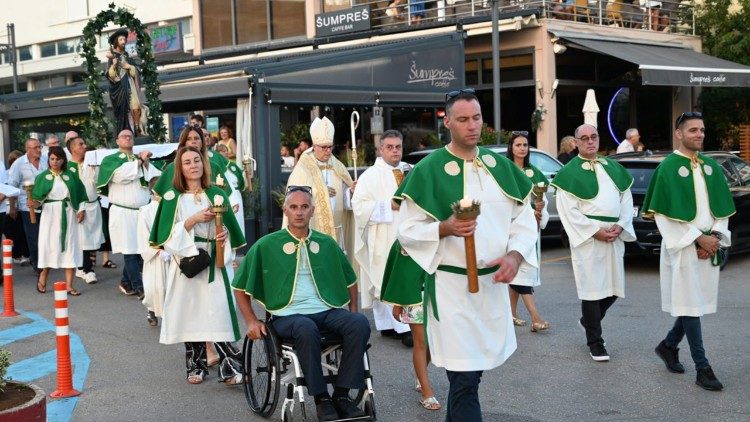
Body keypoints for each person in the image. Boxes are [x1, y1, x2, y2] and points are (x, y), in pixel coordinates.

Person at [380, 89, 538, 421]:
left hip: (491, 290)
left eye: (477, 118)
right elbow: (406, 231)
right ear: (447, 121)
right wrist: (444, 228)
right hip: (451, 291)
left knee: (471, 379)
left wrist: (514, 256)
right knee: (464, 379)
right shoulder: (429, 168)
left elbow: (523, 221)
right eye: (463, 119)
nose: (472, 126)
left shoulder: (499, 166)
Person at [233, 186, 370, 421]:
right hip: (287, 316)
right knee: (306, 328)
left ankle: (342, 394)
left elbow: (351, 280)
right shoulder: (266, 244)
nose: (299, 212)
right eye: (294, 207)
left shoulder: (326, 243)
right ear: (285, 210)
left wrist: (353, 311)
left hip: (325, 310)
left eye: (304, 207)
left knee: (358, 323)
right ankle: (321, 398)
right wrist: (251, 321)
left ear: (312, 211)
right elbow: (239, 285)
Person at [642, 112, 734, 391]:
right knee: (691, 304)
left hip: (709, 247)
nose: (699, 134)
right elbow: (664, 217)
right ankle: (702, 367)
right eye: (693, 130)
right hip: (683, 247)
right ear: (679, 134)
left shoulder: (711, 166)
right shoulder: (667, 168)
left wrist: (715, 237)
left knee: (694, 303)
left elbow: (721, 209)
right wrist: (697, 239)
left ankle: (669, 345)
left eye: (702, 130)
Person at [150, 146, 246, 385]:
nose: (193, 165)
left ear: (204, 164)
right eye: (187, 162)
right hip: (189, 262)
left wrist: (225, 238)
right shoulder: (173, 197)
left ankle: (231, 367)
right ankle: (196, 365)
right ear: (179, 169)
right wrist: (192, 220)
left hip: (215, 260)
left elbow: (232, 231)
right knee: (190, 313)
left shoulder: (217, 194)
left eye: (197, 160)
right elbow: (165, 239)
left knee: (219, 312)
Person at [552, 124, 635, 362]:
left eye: (594, 137)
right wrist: (594, 232)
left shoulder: (614, 167)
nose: (590, 141)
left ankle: (587, 322)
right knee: (592, 290)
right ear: (576, 142)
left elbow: (626, 199)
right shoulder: (569, 173)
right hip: (589, 238)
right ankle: (595, 342)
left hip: (614, 234)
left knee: (613, 289)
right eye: (584, 138)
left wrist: (621, 225)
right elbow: (568, 211)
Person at [351, 130, 412, 341]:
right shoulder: (370, 176)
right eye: (390, 147)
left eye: (398, 147)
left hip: (409, 233)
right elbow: (358, 206)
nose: (395, 151)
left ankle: (391, 324)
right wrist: (389, 206)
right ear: (380, 149)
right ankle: (401, 327)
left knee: (406, 278)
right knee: (387, 277)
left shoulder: (410, 171)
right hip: (383, 235)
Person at [97, 129, 160, 299]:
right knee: (130, 252)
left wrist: (145, 163)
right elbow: (120, 176)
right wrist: (139, 161)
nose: (127, 138)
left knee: (140, 249)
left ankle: (126, 282)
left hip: (141, 211)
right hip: (123, 211)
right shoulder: (111, 160)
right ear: (117, 141)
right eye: (124, 136)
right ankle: (140, 288)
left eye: (130, 136)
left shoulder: (138, 159)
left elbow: (154, 179)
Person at [285, 117, 355, 251]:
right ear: (315, 146)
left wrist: (350, 192)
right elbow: (294, 196)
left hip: (337, 227)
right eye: (324, 147)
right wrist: (320, 190)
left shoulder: (338, 166)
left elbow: (345, 200)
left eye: (330, 147)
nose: (328, 151)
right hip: (314, 227)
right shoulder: (303, 167)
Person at [506, 131, 551, 333]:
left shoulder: (534, 173)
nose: (522, 148)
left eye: (525, 145)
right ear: (511, 148)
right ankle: (536, 318)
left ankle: (511, 314)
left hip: (531, 227)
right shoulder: (505, 171)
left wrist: (540, 210)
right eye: (518, 145)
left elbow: (541, 201)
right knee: (523, 269)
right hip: (510, 226)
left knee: (519, 271)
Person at [31, 147, 87, 296]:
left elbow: (81, 194)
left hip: (68, 213)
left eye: (58, 159)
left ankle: (69, 285)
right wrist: (34, 203)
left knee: (70, 246)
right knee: (50, 245)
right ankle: (43, 277)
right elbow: (37, 199)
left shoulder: (71, 175)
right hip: (50, 215)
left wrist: (81, 209)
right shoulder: (42, 177)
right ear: (48, 160)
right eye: (52, 159)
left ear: (63, 160)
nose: (55, 162)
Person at [67, 136, 105, 284]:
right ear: (73, 149)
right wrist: (79, 208)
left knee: (91, 239)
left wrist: (96, 170)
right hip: (77, 208)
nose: (84, 146)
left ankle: (82, 267)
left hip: (93, 205)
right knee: (82, 239)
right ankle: (87, 269)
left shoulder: (91, 163)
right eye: (81, 144)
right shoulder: (68, 167)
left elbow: (97, 183)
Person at [7, 138, 48, 274]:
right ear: (28, 149)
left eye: (39, 147)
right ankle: (37, 264)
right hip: (27, 206)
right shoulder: (19, 164)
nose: (38, 150)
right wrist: (13, 207)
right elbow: (11, 187)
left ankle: (45, 261)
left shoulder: (45, 160)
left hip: (46, 204)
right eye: (35, 147)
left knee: (46, 235)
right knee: (33, 236)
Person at [138, 183, 168, 327]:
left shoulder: (171, 208)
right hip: (155, 255)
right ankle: (151, 309)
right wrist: (157, 250)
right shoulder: (146, 211)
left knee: (170, 286)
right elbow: (143, 234)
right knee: (154, 287)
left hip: (171, 253)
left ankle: (171, 316)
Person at [106, 28, 145, 137]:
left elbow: (136, 71)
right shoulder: (113, 56)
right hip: (120, 88)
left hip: (129, 85)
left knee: (136, 106)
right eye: (121, 39)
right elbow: (110, 75)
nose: (123, 41)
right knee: (123, 110)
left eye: (124, 39)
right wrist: (114, 65)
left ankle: (137, 127)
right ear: (116, 42)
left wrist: (130, 67)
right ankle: (125, 131)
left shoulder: (128, 57)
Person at [4, 151, 30, 264]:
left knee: (21, 232)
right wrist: (13, 208)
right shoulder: (7, 173)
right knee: (13, 233)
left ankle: (23, 254)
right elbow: (10, 192)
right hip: (9, 208)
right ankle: (16, 255)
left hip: (20, 206)